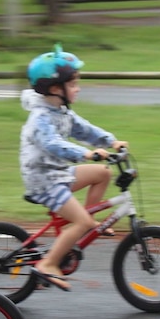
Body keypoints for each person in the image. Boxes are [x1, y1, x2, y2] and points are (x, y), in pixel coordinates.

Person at [19, 44, 128, 291]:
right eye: (74, 83)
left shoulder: (62, 111)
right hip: (43, 180)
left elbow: (85, 130)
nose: (78, 88)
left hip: (57, 173)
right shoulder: (40, 118)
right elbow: (54, 144)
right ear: (56, 89)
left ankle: (87, 222)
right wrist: (87, 153)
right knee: (80, 222)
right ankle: (48, 264)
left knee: (103, 173)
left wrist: (111, 141)